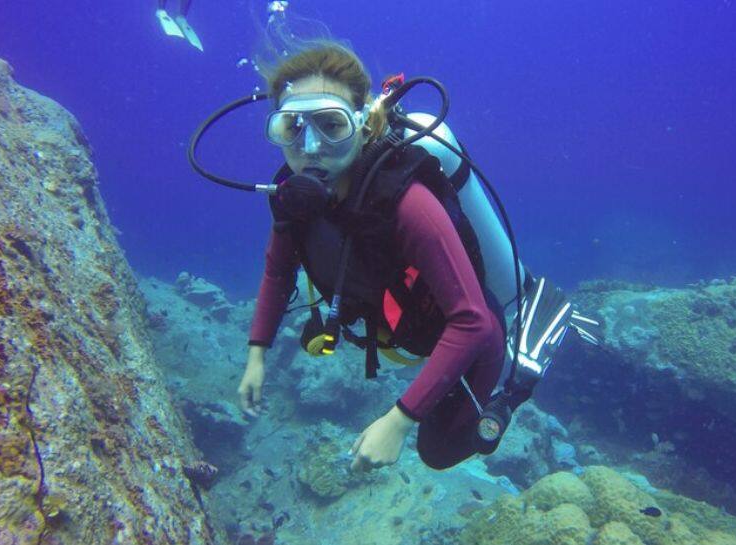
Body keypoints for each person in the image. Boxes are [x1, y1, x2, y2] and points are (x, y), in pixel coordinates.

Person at [232, 42, 597, 472]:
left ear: (364, 126)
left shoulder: (405, 202)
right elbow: (277, 273)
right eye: (291, 127)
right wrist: (256, 355)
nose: (310, 146)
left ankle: (525, 365)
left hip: (472, 337)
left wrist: (398, 421)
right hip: (403, 329)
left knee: (439, 451)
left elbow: (472, 321)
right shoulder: (292, 202)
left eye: (331, 125)